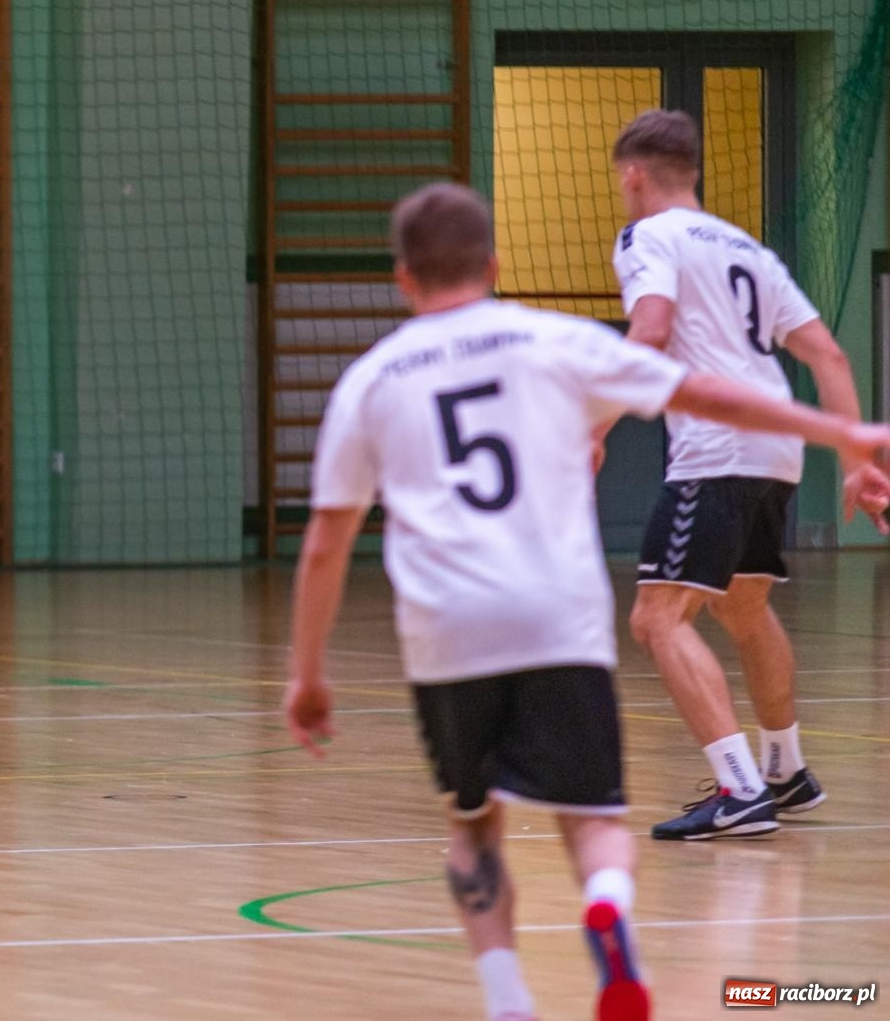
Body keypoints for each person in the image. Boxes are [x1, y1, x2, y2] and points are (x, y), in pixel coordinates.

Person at [282, 182, 890, 1021]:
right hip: (556, 619)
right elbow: (703, 392)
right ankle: (607, 904)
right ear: (492, 266)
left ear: (402, 279)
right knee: (595, 819)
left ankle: (507, 1001)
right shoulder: (550, 339)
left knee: (474, 824)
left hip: (447, 632)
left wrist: (307, 676)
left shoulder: (373, 379)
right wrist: (845, 436)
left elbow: (325, 542)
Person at [608, 109, 890, 840]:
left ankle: (739, 792)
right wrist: (856, 464)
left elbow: (650, 329)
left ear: (633, 175)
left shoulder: (647, 237)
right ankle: (784, 770)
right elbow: (826, 353)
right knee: (741, 607)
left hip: (717, 447)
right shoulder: (746, 247)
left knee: (656, 619)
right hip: (777, 450)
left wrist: (591, 426)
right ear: (691, 172)